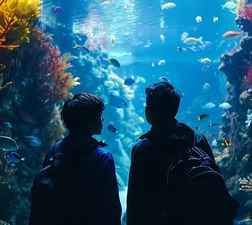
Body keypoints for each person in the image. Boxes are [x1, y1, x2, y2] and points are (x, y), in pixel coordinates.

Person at [126, 82, 237, 225]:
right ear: (175, 109)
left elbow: (136, 203)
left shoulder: (143, 149)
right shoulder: (196, 139)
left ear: (149, 111)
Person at [29, 93, 122, 225]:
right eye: (99, 116)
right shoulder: (102, 157)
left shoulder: (55, 149)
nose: (102, 119)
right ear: (89, 121)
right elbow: (110, 208)